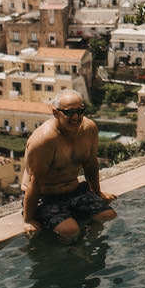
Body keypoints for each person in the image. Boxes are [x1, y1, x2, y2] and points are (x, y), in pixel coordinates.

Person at [21, 89, 116, 239]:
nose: (76, 117)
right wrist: (28, 219)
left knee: (109, 216)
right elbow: (35, 181)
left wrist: (97, 193)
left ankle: (88, 246)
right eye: (69, 112)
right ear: (56, 113)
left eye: (80, 111)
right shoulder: (45, 139)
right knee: (69, 231)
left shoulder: (89, 130)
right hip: (46, 197)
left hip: (75, 191)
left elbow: (90, 165)